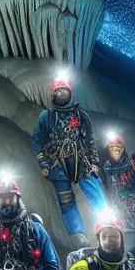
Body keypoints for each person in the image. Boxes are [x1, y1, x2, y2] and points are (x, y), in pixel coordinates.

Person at [33, 73, 106, 240]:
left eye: (64, 92)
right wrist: (44, 163)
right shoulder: (46, 116)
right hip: (56, 164)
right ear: (53, 95)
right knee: (66, 201)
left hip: (82, 161)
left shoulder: (81, 115)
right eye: (58, 92)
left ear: (70, 94)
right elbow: (38, 140)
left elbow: (90, 140)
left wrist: (94, 162)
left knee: (96, 192)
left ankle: (107, 224)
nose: (61, 95)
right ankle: (78, 235)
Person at [97, 131, 135, 262]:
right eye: (112, 147)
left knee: (134, 256)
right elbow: (103, 191)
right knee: (116, 255)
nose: (115, 150)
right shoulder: (106, 171)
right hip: (115, 221)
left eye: (118, 147)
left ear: (123, 149)